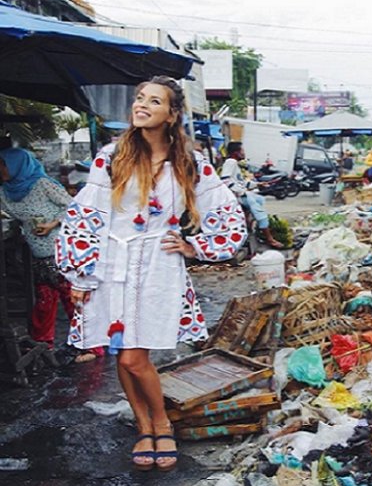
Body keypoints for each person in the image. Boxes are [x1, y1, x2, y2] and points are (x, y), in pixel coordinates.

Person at [55, 76, 247, 472]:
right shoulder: (112, 155)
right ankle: (150, 425)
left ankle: (158, 423)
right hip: (110, 263)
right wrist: (80, 274)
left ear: (171, 114)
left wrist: (196, 246)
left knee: (133, 356)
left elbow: (226, 212)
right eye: (140, 98)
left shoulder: (189, 162)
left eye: (153, 101)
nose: (141, 105)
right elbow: (86, 215)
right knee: (124, 356)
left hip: (158, 267)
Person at [0, 148, 104, 363]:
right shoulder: (5, 191)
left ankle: (92, 347)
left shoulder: (42, 184)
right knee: (45, 300)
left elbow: (76, 207)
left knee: (72, 297)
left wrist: (52, 223)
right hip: (39, 254)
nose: (0, 169)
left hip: (62, 249)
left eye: (2, 164)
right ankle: (43, 343)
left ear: (15, 165)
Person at [219, 142, 284, 249]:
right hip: (239, 196)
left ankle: (250, 230)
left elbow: (242, 182)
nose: (244, 153)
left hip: (243, 194)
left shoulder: (235, 164)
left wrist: (258, 184)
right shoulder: (230, 162)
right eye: (242, 151)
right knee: (261, 214)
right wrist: (240, 192)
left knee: (259, 200)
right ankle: (270, 239)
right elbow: (225, 180)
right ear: (236, 153)